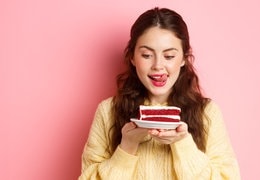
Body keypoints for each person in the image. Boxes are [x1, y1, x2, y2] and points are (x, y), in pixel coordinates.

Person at [79, 7, 241, 180]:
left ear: (184, 58)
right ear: (132, 57)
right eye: (147, 55)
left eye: (169, 56)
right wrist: (127, 146)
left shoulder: (207, 112)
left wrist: (183, 143)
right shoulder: (108, 111)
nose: (158, 65)